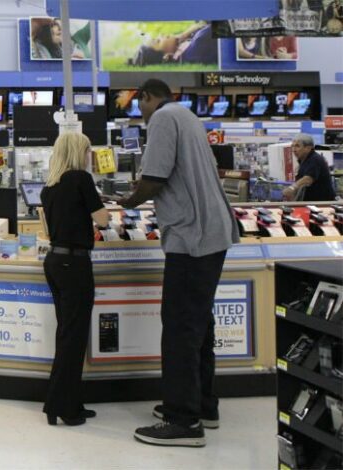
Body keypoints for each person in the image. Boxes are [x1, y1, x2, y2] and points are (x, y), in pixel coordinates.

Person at [117, 79, 239, 447]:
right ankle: (203, 405)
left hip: (192, 237)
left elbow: (154, 178)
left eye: (139, 104)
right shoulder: (187, 115)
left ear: (146, 97)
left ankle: (183, 421)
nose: (140, 112)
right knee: (199, 324)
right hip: (213, 232)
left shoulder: (162, 118)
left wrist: (128, 201)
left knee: (180, 327)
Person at [40, 132, 109, 426]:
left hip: (55, 262)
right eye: (86, 150)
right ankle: (63, 407)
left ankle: (67, 402)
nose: (88, 155)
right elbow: (103, 219)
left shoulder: (49, 187)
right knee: (74, 337)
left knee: (66, 334)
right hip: (75, 265)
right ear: (77, 152)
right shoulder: (80, 179)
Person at [129, 22, 217, 66]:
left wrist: (184, 34)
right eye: (158, 41)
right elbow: (223, 25)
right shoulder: (199, 42)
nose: (161, 35)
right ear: (166, 56)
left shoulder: (190, 46)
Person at [282, 133, 336, 201]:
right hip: (311, 202)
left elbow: (308, 179)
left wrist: (292, 188)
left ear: (308, 148)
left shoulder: (315, 159)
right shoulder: (303, 160)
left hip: (322, 203)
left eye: (297, 146)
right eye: (293, 146)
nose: (294, 149)